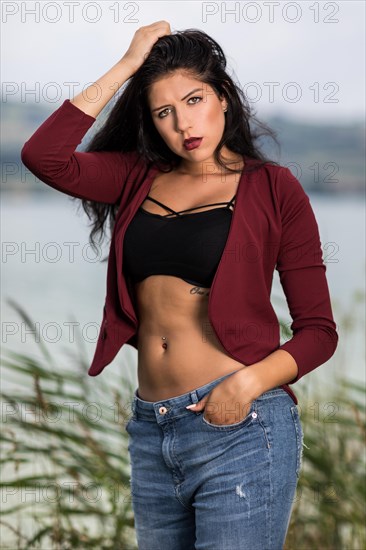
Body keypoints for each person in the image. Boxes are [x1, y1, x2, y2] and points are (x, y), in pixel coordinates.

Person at [21, 20, 338, 550]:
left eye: (194, 100)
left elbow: (319, 332)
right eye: (163, 111)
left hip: (242, 425)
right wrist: (127, 65)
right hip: (152, 428)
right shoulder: (135, 176)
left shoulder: (274, 189)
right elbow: (43, 156)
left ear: (224, 99)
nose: (182, 123)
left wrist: (247, 384)